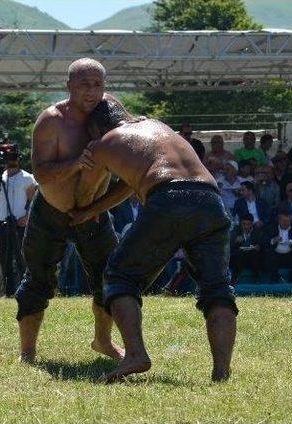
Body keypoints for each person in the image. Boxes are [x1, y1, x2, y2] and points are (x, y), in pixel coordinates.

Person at [69, 97, 238, 382]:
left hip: (166, 199)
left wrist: (81, 209)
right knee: (217, 288)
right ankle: (221, 372)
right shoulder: (157, 126)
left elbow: (85, 192)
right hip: (210, 201)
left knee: (119, 277)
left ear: (95, 129)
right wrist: (94, 211)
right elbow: (130, 182)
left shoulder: (103, 143)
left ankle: (135, 354)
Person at [15, 58, 124, 364]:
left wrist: (101, 206)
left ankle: (103, 341)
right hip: (51, 211)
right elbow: (41, 173)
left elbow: (129, 166)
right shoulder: (51, 121)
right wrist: (76, 164)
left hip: (95, 213)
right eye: (84, 84)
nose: (92, 91)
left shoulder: (112, 113)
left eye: (97, 84)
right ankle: (28, 351)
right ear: (69, 86)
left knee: (110, 279)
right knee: (38, 280)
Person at [0, 148, 37, 296]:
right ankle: (9, 291)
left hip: (19, 223)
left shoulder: (27, 177)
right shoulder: (1, 177)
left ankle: (27, 289)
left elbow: (34, 200)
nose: (12, 160)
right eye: (9, 157)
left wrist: (27, 217)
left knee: (22, 258)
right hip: (3, 222)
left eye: (14, 157)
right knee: (5, 258)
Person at [263, 209, 292, 282]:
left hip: (289, 255)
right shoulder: (271, 228)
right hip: (275, 255)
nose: (286, 223)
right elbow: (263, 241)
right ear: (279, 219)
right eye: (284, 221)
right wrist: (273, 240)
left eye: (288, 221)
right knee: (268, 253)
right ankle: (274, 278)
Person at [229, 213, 263, 283]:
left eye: (248, 224)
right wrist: (235, 241)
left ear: (252, 224)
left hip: (253, 257)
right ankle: (234, 278)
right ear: (241, 223)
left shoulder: (257, 232)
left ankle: (257, 278)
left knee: (253, 253)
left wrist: (258, 247)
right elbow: (229, 246)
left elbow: (262, 244)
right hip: (239, 257)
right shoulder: (235, 231)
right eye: (244, 224)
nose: (246, 226)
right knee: (238, 253)